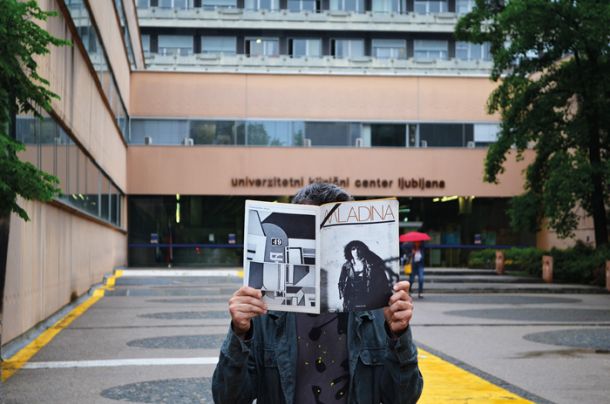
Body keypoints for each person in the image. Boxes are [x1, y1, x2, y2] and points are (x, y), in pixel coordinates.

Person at [212, 182, 423, 403]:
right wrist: (239, 333)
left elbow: (404, 398)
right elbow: (227, 398)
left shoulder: (377, 311)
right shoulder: (265, 312)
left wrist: (399, 335)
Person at [338, 240, 393, 311]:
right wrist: (343, 295)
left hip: (368, 299)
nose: (356, 251)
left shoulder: (372, 264)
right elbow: (341, 282)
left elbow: (383, 282)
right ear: (349, 251)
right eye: (353, 249)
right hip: (351, 300)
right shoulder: (346, 266)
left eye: (359, 248)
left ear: (363, 250)